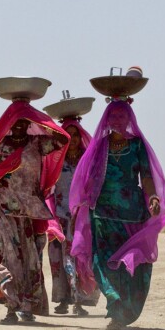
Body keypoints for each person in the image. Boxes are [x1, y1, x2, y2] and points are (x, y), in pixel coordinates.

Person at [70, 99, 165, 330]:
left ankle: (125, 310)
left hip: (132, 212)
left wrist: (153, 197)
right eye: (112, 116)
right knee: (102, 262)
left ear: (129, 119)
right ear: (106, 119)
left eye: (121, 116)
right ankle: (114, 304)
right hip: (102, 212)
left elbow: (146, 176)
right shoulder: (99, 146)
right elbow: (88, 179)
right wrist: (82, 209)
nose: (117, 120)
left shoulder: (137, 146)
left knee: (130, 264)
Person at [0, 100, 69, 324]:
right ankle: (11, 308)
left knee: (29, 261)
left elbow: (63, 140)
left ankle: (26, 306)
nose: (20, 125)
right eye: (15, 121)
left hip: (29, 214)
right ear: (9, 123)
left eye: (24, 121)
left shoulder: (37, 144)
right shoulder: (0, 148)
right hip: (4, 212)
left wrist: (37, 117)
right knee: (4, 258)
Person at [47, 118, 100, 316]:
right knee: (59, 259)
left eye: (76, 134)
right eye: (68, 134)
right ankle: (63, 300)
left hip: (81, 219)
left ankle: (79, 300)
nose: (74, 139)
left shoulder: (87, 160)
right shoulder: (55, 159)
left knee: (78, 258)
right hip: (59, 217)